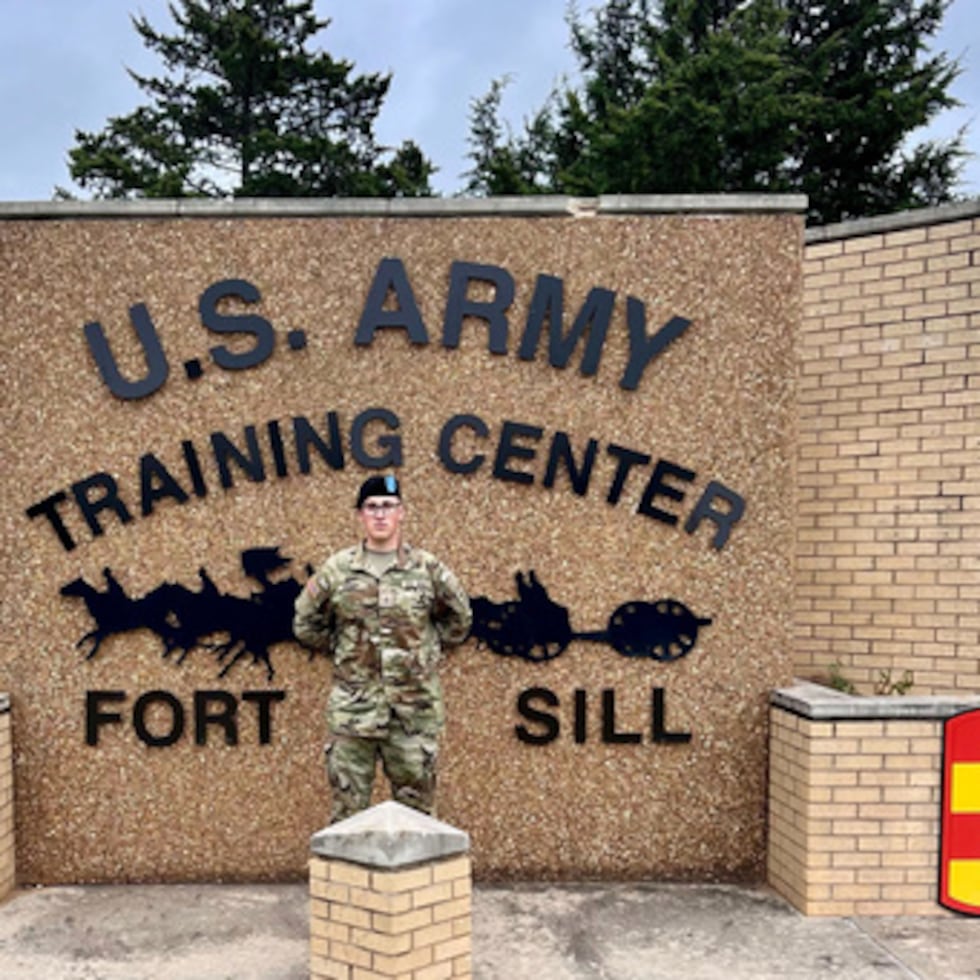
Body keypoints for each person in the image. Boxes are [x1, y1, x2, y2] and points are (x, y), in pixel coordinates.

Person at [293, 474, 472, 823]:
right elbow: (305, 623)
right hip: (354, 713)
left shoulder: (427, 569)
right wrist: (346, 650)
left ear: (401, 512)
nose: (379, 514)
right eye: (371, 507)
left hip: (412, 712)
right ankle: (352, 880)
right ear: (360, 515)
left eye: (387, 506)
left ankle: (415, 881)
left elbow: (459, 619)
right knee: (347, 817)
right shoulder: (338, 569)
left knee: (417, 819)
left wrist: (425, 651)